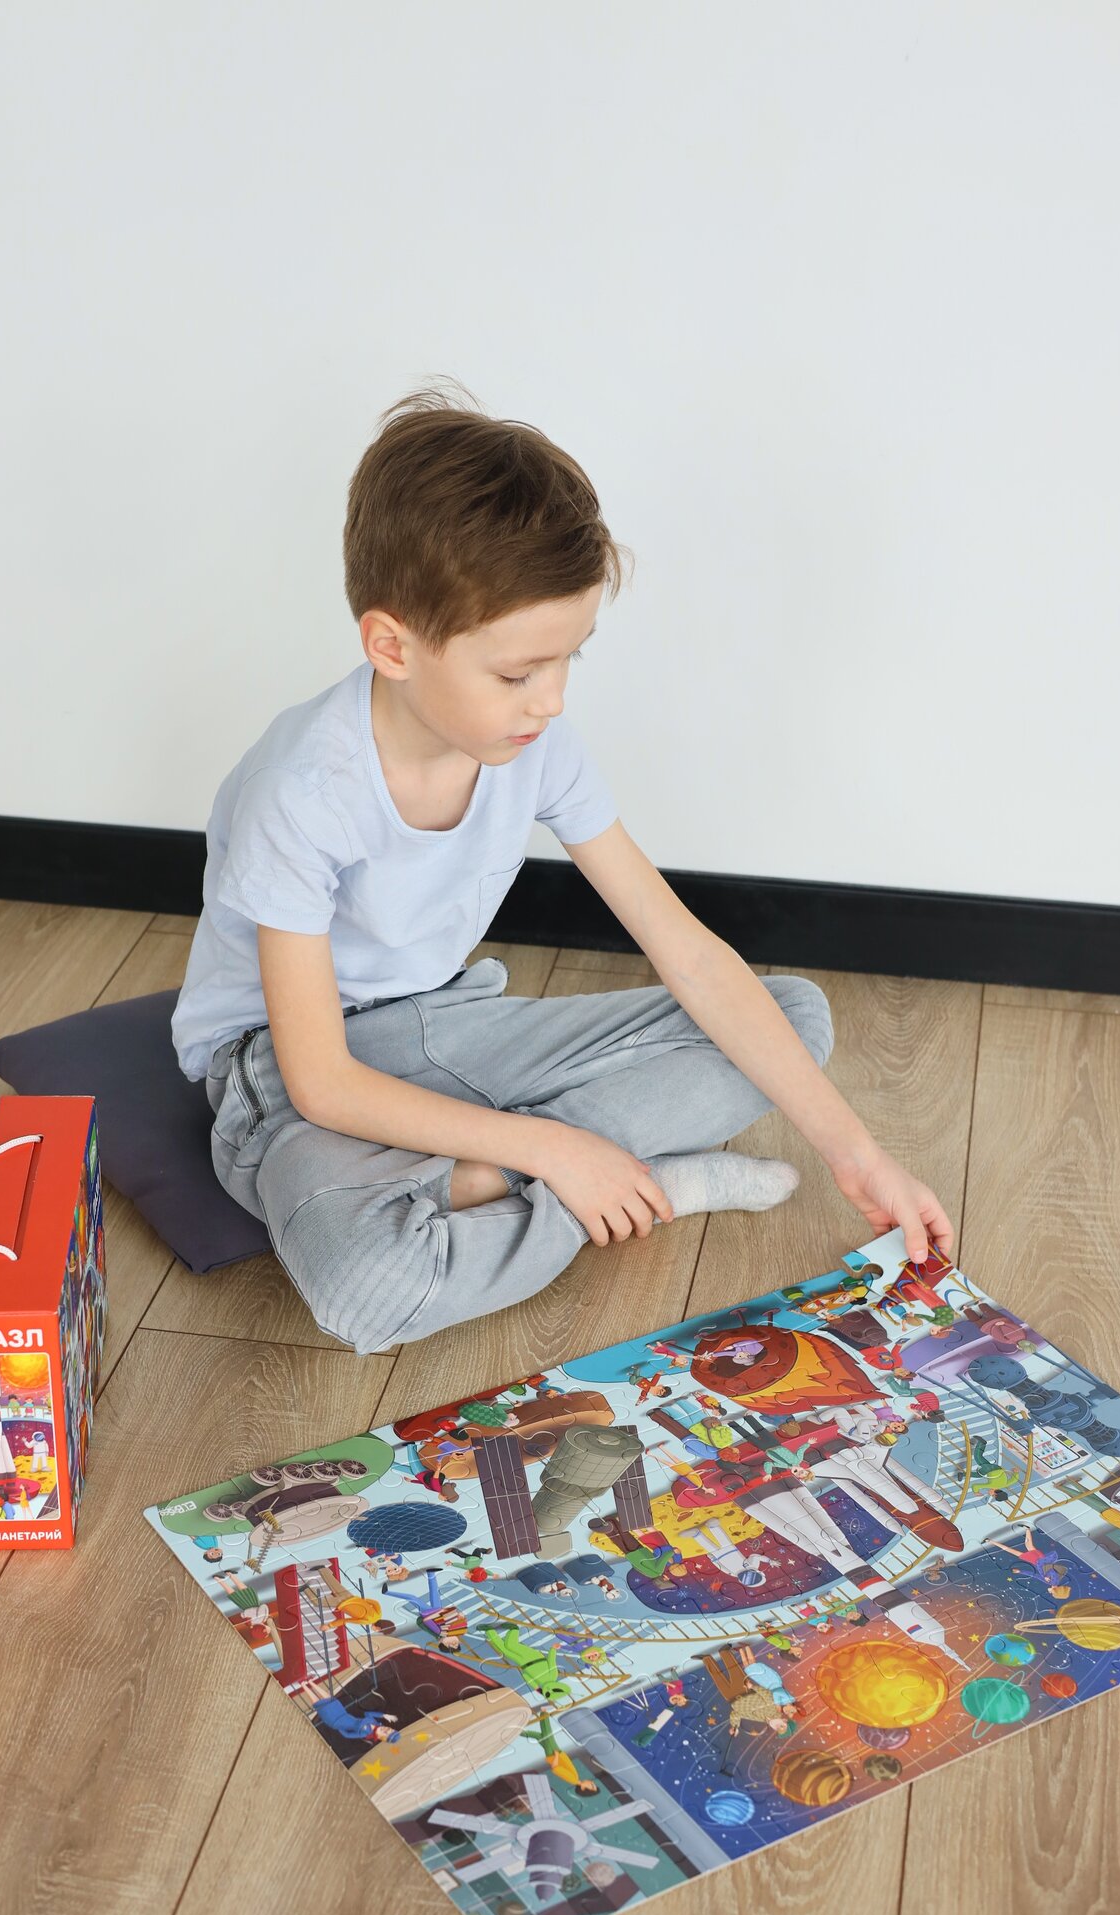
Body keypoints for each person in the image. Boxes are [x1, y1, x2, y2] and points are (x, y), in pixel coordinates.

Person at [174, 380, 955, 1353]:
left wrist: (858, 1156)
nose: (548, 701)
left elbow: (690, 956)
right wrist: (555, 1145)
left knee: (792, 1017)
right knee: (366, 1286)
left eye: (566, 660)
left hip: (443, 1024)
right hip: (285, 1073)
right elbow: (323, 1081)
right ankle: (615, 1177)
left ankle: (488, 1182)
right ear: (392, 645)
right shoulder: (300, 792)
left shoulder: (536, 744)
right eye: (516, 673)